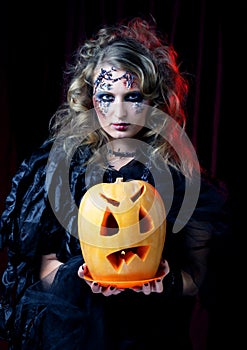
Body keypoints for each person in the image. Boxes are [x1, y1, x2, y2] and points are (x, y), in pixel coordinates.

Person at [0, 16, 229, 350]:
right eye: (107, 96)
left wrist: (168, 281)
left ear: (153, 99)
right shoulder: (60, 168)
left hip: (151, 337)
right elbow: (45, 267)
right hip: (77, 338)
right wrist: (78, 276)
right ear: (91, 98)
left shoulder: (178, 175)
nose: (119, 112)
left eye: (132, 97)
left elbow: (200, 277)